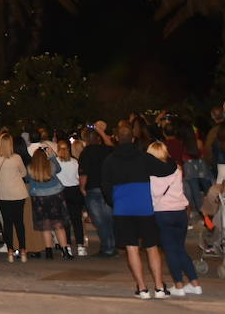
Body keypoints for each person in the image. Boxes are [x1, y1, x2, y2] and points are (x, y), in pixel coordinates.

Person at [101, 124, 174, 298]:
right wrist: (169, 158)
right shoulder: (143, 157)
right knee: (151, 247)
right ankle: (159, 287)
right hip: (144, 207)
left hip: (123, 209)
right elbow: (166, 170)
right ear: (132, 139)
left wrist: (114, 202)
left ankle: (142, 288)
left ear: (116, 138)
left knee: (132, 248)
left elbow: (105, 186)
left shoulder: (109, 160)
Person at [145, 141, 200, 296]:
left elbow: (154, 194)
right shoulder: (177, 168)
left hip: (163, 212)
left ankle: (179, 285)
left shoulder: (150, 173)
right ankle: (195, 283)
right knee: (180, 249)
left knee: (170, 251)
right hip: (180, 211)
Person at [26, 149, 72, 260]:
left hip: (39, 198)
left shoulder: (30, 168)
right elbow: (59, 169)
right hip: (55, 196)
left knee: (45, 226)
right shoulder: (51, 165)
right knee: (58, 225)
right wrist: (51, 155)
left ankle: (48, 252)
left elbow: (27, 179)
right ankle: (65, 250)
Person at [0, 134, 28, 262]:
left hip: (2, 193)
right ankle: (23, 251)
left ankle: (10, 251)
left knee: (7, 223)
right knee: (19, 222)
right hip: (18, 192)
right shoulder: (17, 158)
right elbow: (24, 173)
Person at [78, 128, 116, 257]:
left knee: (99, 221)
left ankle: (107, 248)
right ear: (98, 139)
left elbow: (84, 173)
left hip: (93, 188)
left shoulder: (86, 153)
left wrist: (82, 187)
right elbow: (111, 145)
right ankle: (111, 245)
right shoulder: (106, 150)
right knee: (108, 219)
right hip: (107, 188)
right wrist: (101, 132)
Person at [54, 140, 87, 256]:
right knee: (76, 220)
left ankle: (67, 246)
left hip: (61, 192)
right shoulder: (75, 162)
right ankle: (80, 246)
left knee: (64, 221)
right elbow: (79, 177)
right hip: (74, 191)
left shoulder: (55, 163)